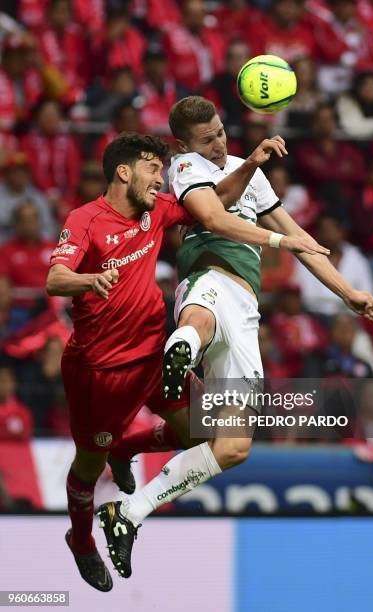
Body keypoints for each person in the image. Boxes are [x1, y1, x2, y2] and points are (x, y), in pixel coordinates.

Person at [97, 96, 373, 579]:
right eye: (207, 138)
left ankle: (129, 513)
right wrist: (275, 233)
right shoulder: (185, 167)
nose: (218, 142)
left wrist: (349, 292)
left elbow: (304, 243)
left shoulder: (251, 174)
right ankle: (183, 347)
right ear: (182, 144)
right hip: (208, 277)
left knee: (233, 447)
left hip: (247, 311)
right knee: (201, 318)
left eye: (220, 132)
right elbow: (213, 216)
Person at [47, 131, 328, 591]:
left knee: (207, 434)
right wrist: (90, 280)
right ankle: (80, 540)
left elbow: (215, 201)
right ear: (124, 172)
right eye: (153, 169)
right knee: (87, 466)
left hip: (158, 354)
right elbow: (56, 278)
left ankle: (128, 445)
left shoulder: (155, 211)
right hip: (102, 371)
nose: (162, 178)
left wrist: (251, 162)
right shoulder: (85, 221)